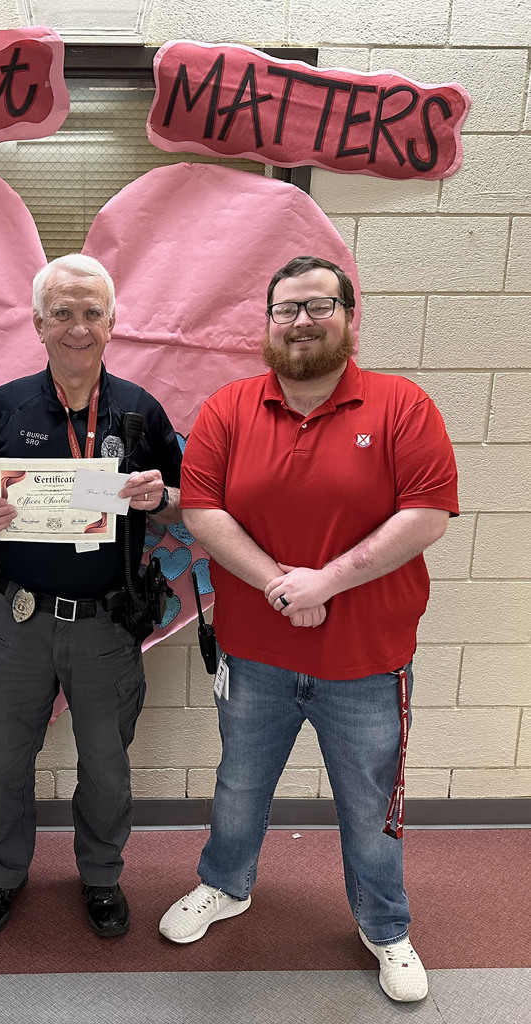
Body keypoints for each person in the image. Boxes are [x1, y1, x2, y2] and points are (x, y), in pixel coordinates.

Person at [160, 255, 458, 1003]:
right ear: (266, 324)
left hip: (366, 660)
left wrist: (325, 582)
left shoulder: (402, 407)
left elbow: (424, 516)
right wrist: (281, 585)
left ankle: (386, 927)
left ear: (350, 318)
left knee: (370, 805)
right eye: (286, 309)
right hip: (254, 654)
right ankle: (225, 886)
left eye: (318, 306)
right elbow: (202, 511)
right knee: (238, 786)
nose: (301, 322)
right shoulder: (229, 408)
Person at [0, 253, 183, 938]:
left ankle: (102, 876)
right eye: (63, 312)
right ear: (38, 322)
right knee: (6, 762)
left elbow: (184, 506)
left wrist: (161, 498)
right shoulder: (6, 404)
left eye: (91, 312)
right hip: (19, 617)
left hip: (106, 624)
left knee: (107, 767)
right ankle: (2, 875)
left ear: (112, 323)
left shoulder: (141, 411)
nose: (77, 326)